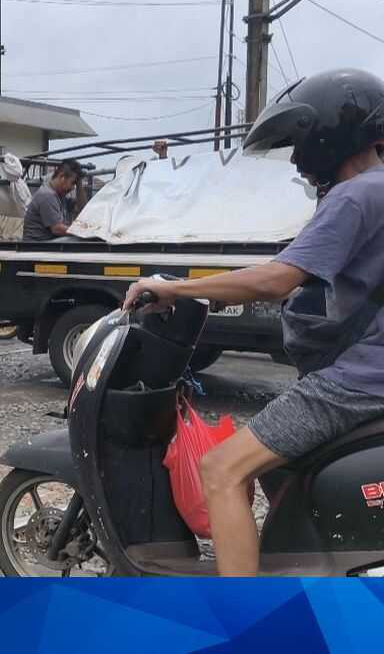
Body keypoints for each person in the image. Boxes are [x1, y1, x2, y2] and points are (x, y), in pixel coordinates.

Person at [122, 68, 384, 576]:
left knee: (220, 470)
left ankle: (242, 621)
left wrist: (175, 288)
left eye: (299, 146)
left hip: (357, 379)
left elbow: (275, 280)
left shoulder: (356, 196)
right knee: (276, 465)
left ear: (328, 136)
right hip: (365, 372)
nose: (298, 162)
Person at [23, 159, 83, 241]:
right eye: (73, 183)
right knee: (76, 240)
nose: (73, 188)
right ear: (62, 177)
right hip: (36, 246)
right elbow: (57, 228)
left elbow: (81, 208)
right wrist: (80, 231)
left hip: (46, 244)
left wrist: (79, 185)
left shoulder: (60, 196)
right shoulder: (47, 195)